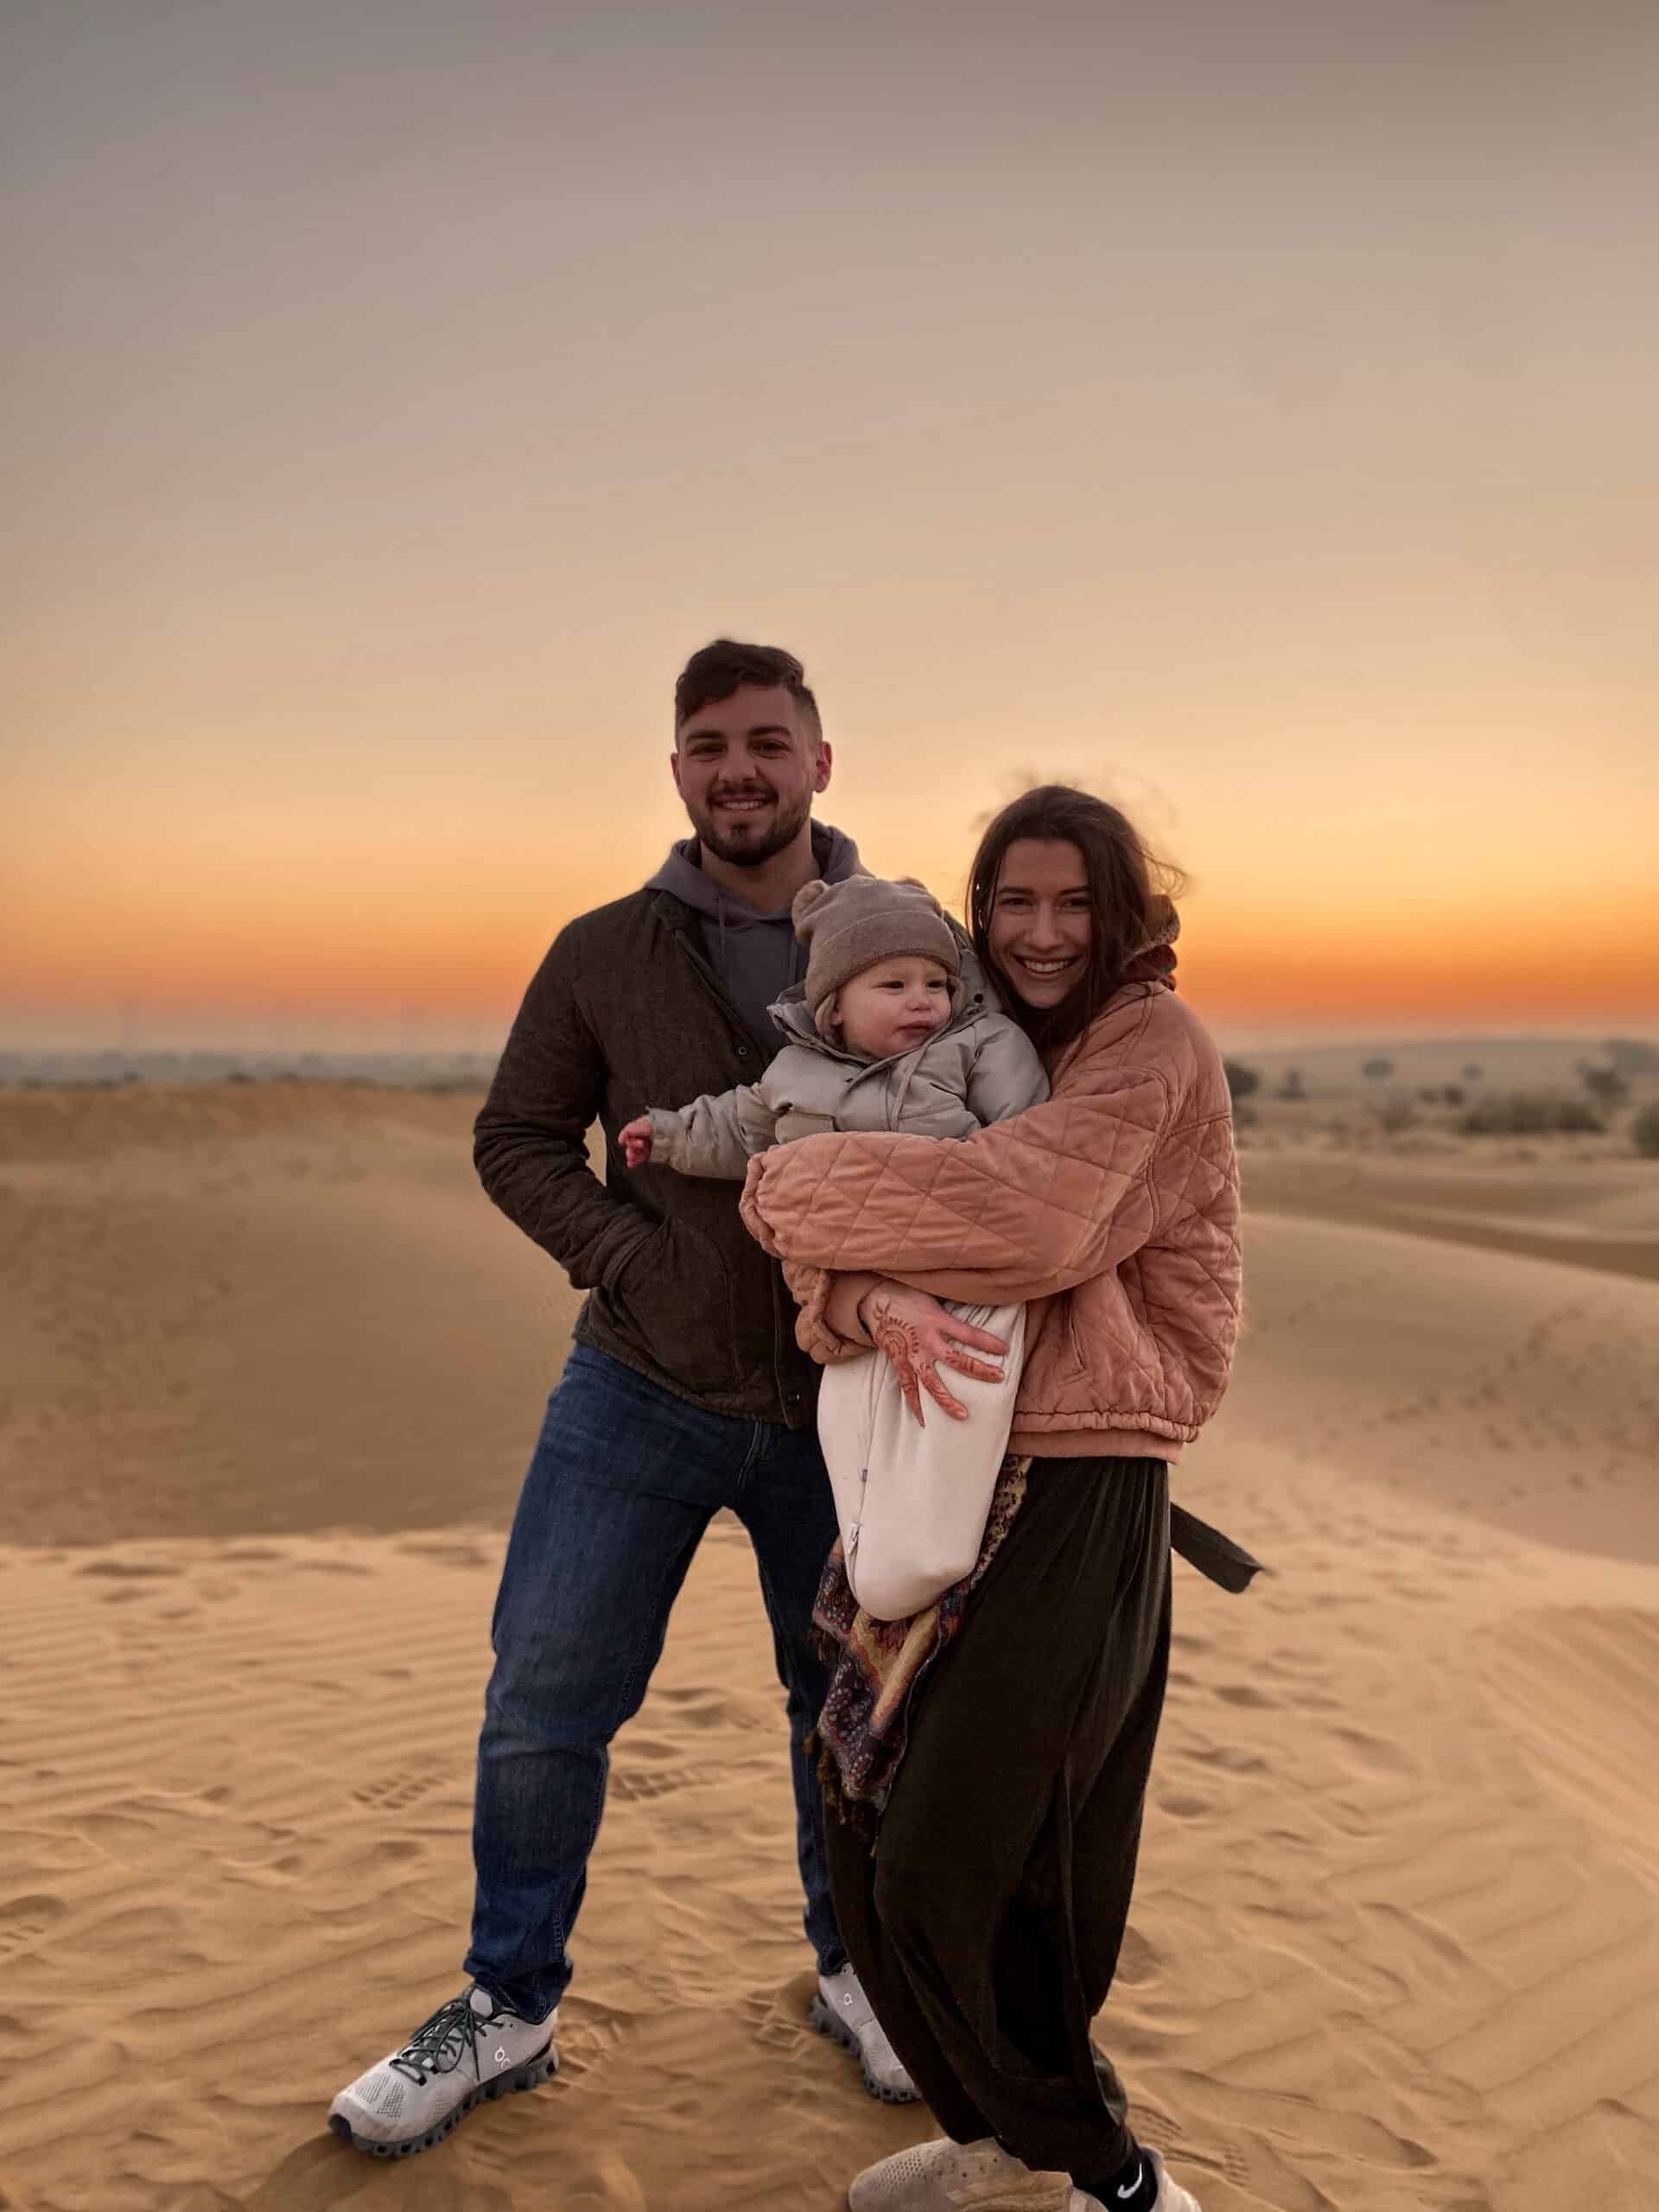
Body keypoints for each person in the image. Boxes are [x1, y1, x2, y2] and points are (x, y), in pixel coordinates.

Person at [327, 640, 917, 2161]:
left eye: (769, 742)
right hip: (635, 1392)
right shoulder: (600, 950)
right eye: (712, 745)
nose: (742, 769)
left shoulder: (915, 942)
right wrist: (628, 1259)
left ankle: (856, 1975)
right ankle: (505, 2004)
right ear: (677, 773)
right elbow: (517, 1135)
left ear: (821, 764)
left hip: (847, 1409)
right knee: (544, 1703)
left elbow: (989, 1124)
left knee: (846, 1711)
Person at [740, 785, 1255, 2212]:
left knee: (982, 1854)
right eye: (1012, 905)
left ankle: (1110, 2173)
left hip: (1080, 1483)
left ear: (1123, 912)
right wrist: (867, 1283)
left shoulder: (1150, 1047)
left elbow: (1024, 1225)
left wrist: (806, 1194)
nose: (1040, 934)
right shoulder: (973, 1045)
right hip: (924, 1462)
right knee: (866, 1814)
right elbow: (788, 1234)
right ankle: (989, 2132)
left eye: (1071, 904)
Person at [617, 873, 1049, 1620]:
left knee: (952, 1410)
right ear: (834, 1006)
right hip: (850, 1308)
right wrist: (669, 1134)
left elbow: (1028, 1144)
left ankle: (930, 1558)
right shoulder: (793, 1073)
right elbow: (738, 1126)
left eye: (937, 983)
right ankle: (875, 1554)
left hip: (962, 1287)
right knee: (849, 1437)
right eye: (894, 984)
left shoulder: (977, 1045)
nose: (924, 1001)